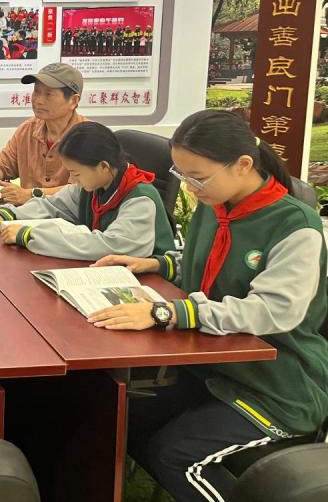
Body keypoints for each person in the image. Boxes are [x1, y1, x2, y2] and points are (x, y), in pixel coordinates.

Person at [87, 110, 328, 502]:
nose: (189, 187)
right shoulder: (216, 204)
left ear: (243, 165)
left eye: (198, 177)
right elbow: (204, 264)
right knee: (118, 414)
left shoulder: (295, 226)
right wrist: (156, 264)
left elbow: (271, 311)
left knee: (176, 456)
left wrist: (167, 312)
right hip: (214, 370)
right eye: (182, 175)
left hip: (276, 387)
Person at [0, 122, 174, 260]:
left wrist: (31, 236)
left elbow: (110, 245)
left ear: (103, 166)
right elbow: (53, 205)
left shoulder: (140, 199)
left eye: (76, 173)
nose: (74, 179)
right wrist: (9, 215)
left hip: (152, 283)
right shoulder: (93, 186)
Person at [0, 63, 87, 204]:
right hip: (27, 213)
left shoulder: (89, 137)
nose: (38, 100)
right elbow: (3, 164)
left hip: (69, 216)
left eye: (48, 94)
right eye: (36, 91)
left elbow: (79, 190)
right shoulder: (27, 130)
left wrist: (31, 195)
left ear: (73, 101)